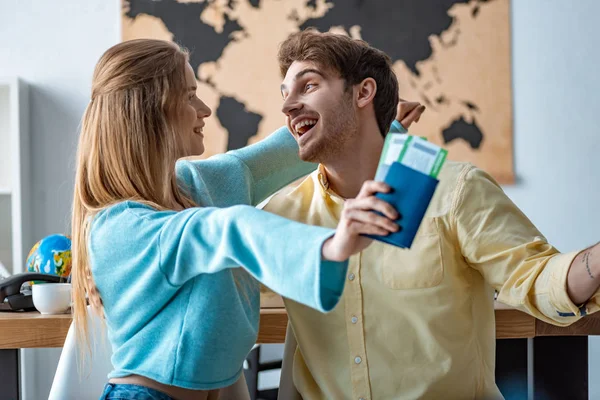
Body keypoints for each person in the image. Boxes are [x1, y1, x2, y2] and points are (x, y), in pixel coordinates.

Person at [264, 29, 600, 400]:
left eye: (307, 86)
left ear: (363, 92)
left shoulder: (456, 192)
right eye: (285, 93)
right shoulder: (281, 213)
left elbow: (536, 278)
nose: (287, 106)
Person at [70, 38, 401, 400]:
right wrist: (332, 246)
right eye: (190, 95)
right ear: (153, 112)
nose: (205, 109)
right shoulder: (118, 229)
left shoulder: (201, 185)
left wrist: (379, 121)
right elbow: (227, 230)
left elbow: (282, 152)